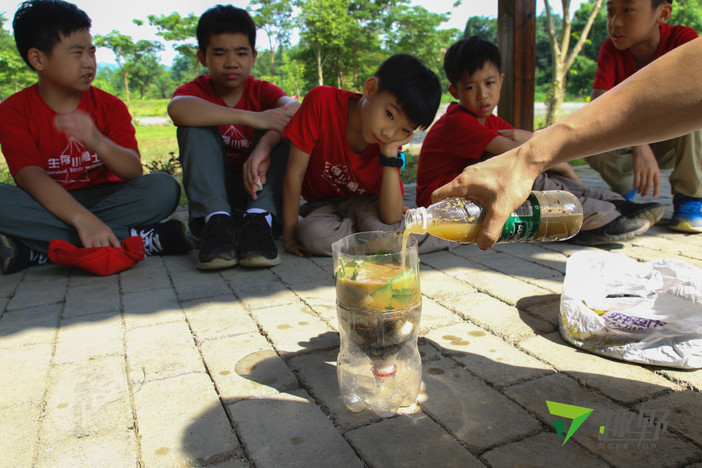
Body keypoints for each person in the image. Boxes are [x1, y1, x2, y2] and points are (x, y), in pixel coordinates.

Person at [432, 37, 702, 250]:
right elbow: (518, 159)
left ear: (501, 81)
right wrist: (562, 167)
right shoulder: (457, 122)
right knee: (532, 180)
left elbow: (531, 152)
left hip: (479, 196)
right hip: (451, 206)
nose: (483, 94)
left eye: (489, 83)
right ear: (455, 91)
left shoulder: (489, 121)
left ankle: (616, 204)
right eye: (470, 87)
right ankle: (592, 219)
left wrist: (568, 175)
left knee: (541, 173)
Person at [0, 0, 190, 275]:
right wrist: (83, 220)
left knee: (164, 187)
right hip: (46, 202)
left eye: (91, 52)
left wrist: (95, 140)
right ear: (38, 59)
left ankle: (37, 250)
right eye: (76, 54)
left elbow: (132, 170)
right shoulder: (13, 111)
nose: (89, 63)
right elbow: (31, 177)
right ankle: (140, 239)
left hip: (107, 199)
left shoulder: (109, 106)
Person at [168, 5, 299, 270]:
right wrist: (252, 117)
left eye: (241, 53)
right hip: (214, 191)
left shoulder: (262, 90)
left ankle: (260, 221)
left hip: (255, 188)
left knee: (286, 129)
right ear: (202, 57)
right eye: (219, 53)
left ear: (253, 57)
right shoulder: (196, 91)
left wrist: (264, 145)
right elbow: (177, 109)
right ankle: (215, 223)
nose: (231, 62)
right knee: (193, 124)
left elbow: (297, 110)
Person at [282, 54, 450, 256]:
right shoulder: (322, 102)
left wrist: (389, 154)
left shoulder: (388, 142)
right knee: (312, 235)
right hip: (322, 205)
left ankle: (454, 232)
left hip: (366, 204)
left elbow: (391, 216)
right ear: (370, 88)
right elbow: (294, 175)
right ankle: (380, 242)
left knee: (388, 230)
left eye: (404, 130)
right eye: (389, 114)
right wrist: (290, 235)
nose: (388, 133)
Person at [586, 0, 701, 233]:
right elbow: (598, 106)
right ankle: (624, 189)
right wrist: (639, 144)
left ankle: (690, 197)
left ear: (663, 13)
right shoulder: (610, 49)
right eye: (610, 11)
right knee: (584, 129)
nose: (615, 22)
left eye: (627, 10)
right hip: (631, 146)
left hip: (674, 139)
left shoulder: (683, 40)